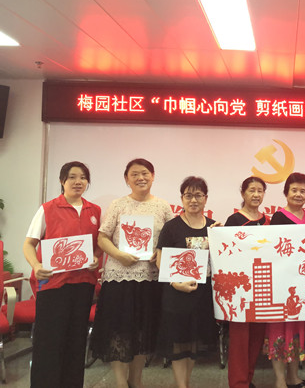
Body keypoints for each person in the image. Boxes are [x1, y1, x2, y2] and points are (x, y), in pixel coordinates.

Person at [90, 158, 173, 388]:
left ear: (153, 176)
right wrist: (119, 255)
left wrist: (159, 253)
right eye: (134, 174)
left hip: (150, 278)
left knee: (142, 332)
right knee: (118, 331)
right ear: (127, 179)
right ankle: (120, 383)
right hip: (119, 279)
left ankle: (136, 380)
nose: (140, 178)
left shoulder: (163, 206)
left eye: (145, 173)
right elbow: (102, 238)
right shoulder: (118, 205)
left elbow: (171, 239)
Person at [23, 161, 102, 388]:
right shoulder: (47, 209)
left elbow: (98, 246)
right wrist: (36, 265)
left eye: (83, 177)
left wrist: (96, 258)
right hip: (53, 285)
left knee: (76, 342)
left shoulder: (94, 211)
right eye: (72, 177)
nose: (78, 182)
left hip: (83, 285)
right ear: (62, 181)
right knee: (49, 343)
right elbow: (29, 244)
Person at [155, 176, 218, 388]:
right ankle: (182, 385)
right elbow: (160, 260)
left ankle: (186, 383)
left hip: (202, 294)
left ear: (205, 198)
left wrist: (221, 235)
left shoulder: (213, 227)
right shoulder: (171, 227)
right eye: (188, 195)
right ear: (181, 198)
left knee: (194, 344)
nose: (193, 200)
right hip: (176, 294)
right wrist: (175, 283)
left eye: (198, 195)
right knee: (178, 343)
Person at [265, 172, 305, 388]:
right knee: (280, 329)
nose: (298, 194)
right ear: (286, 192)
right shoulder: (278, 217)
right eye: (294, 190)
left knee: (297, 329)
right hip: (283, 283)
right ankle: (279, 379)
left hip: (303, 281)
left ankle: (293, 377)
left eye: (302, 191)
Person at [224, 176, 270, 388]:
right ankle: (238, 383)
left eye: (260, 191)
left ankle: (248, 379)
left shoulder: (268, 221)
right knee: (240, 340)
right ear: (243, 193)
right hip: (240, 290)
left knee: (256, 339)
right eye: (252, 190)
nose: (256, 195)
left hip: (263, 286)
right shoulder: (234, 220)